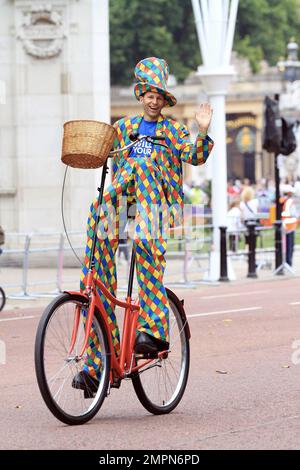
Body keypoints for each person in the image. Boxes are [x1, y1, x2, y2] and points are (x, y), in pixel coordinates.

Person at [73, 57, 214, 391]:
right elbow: (104, 155)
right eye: (149, 94)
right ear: (141, 95)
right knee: (96, 257)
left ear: (165, 101)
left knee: (146, 176)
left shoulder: (173, 130)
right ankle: (97, 364)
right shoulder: (122, 127)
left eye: (159, 96)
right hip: (124, 202)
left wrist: (203, 130)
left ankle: (153, 330)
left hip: (156, 204)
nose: (153, 100)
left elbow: (194, 155)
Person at [280, 184, 298, 266]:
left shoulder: (281, 200)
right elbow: (294, 213)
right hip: (290, 226)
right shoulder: (290, 201)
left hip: (283, 225)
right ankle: (288, 263)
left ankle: (284, 262)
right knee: (289, 246)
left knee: (283, 246)